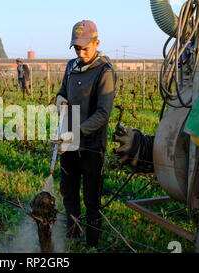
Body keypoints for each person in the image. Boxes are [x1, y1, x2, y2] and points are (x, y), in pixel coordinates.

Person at [55, 20, 117, 249]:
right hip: (69, 142)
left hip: (91, 145)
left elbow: (103, 113)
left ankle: (92, 244)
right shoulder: (71, 66)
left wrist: (77, 133)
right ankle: (72, 237)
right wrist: (59, 99)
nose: (81, 53)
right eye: (77, 48)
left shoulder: (104, 72)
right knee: (68, 192)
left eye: (85, 48)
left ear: (97, 43)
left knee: (91, 198)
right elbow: (62, 91)